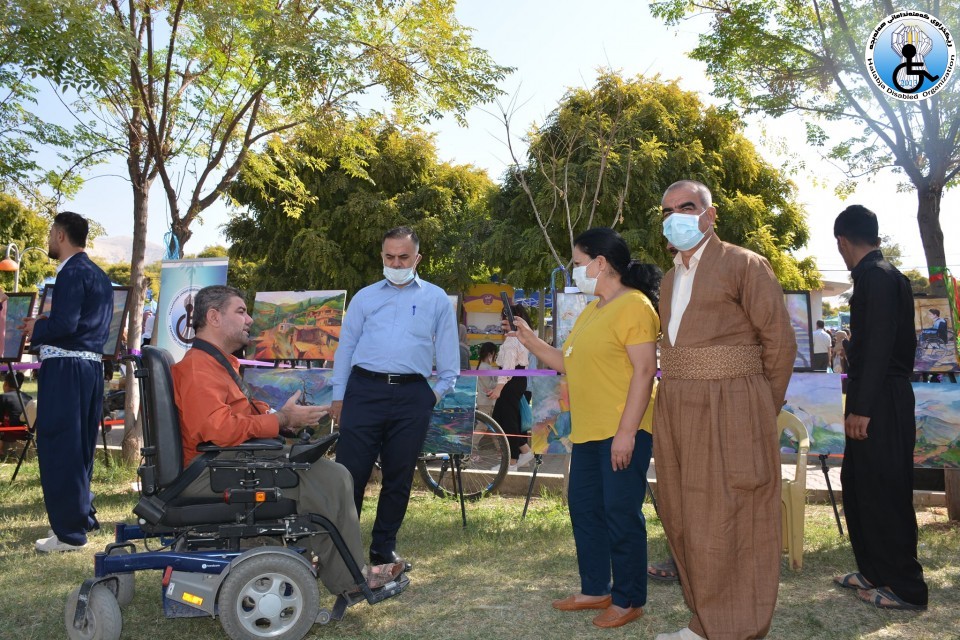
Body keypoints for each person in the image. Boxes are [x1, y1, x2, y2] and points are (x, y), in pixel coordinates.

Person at [172, 285, 405, 596]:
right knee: (331, 477)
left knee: (333, 474)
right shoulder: (199, 368)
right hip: (212, 471)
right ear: (214, 317)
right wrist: (280, 420)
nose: (250, 320)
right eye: (240, 311)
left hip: (225, 462)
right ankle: (349, 578)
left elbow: (233, 419)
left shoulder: (216, 365)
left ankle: (339, 567)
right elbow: (217, 430)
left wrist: (284, 418)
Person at [653, 180, 796, 640]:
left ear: (709, 215)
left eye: (687, 207)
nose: (676, 215)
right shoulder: (670, 277)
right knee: (686, 513)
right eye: (668, 210)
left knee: (735, 511)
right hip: (677, 406)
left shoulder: (745, 264)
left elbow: (779, 343)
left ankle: (737, 626)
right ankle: (704, 621)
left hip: (733, 405)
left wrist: (756, 408)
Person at [508, 227, 661, 629]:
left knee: (620, 512)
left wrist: (627, 432)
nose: (575, 271)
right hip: (589, 431)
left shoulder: (635, 306)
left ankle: (629, 599)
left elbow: (646, 371)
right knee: (585, 509)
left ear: (601, 263)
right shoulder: (594, 310)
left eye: (577, 264)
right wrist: (529, 339)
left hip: (622, 430)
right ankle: (596, 588)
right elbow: (565, 362)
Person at [330, 226, 459, 570]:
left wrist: (429, 397)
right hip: (363, 392)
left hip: (412, 396)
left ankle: (383, 549)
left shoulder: (436, 299)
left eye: (404, 257)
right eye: (390, 257)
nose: (396, 263)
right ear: (382, 256)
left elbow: (449, 365)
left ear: (417, 258)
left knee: (398, 477)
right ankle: (340, 551)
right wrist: (339, 397)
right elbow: (345, 349)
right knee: (348, 475)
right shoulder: (365, 298)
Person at [832, 205, 928, 611]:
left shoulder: (878, 277)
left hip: (881, 400)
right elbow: (874, 342)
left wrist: (862, 408)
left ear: (841, 242)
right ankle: (874, 570)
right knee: (859, 485)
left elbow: (882, 348)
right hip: (875, 395)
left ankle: (906, 586)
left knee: (885, 491)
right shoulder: (877, 277)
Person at [19, 211, 114, 553]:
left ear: (60, 235)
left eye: (49, 234)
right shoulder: (98, 274)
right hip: (88, 369)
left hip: (67, 369)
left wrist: (36, 328)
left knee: (60, 446)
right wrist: (50, 322)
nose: (47, 241)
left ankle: (69, 534)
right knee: (79, 449)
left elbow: (67, 325)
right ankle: (77, 521)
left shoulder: (71, 272)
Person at [488, 303, 534, 471]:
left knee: (506, 420)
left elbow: (508, 366)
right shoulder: (519, 336)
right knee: (505, 419)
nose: (503, 319)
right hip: (515, 380)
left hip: (511, 379)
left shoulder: (514, 338)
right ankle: (523, 452)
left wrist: (499, 387)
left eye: (506, 316)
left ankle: (513, 461)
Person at [0, 372, 32, 459]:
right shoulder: (28, 398)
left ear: (5, 383)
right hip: (25, 432)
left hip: (10, 432)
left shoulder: (3, 397)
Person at [475, 341, 499, 415]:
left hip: (488, 401)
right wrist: (501, 383)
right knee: (482, 425)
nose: (496, 356)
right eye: (495, 354)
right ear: (490, 354)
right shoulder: (483, 367)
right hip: (484, 402)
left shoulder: (487, 366)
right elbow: (489, 384)